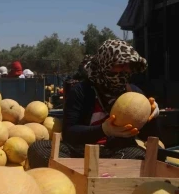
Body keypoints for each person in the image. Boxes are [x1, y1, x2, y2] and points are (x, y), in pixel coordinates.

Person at [27, 39, 160, 168]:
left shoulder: (134, 92)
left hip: (118, 153)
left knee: (144, 154)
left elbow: (148, 136)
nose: (125, 71)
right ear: (105, 64)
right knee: (39, 148)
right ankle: (94, 176)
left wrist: (152, 116)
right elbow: (69, 133)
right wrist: (103, 130)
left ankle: (93, 175)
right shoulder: (81, 91)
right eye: (120, 65)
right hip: (80, 153)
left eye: (128, 66)